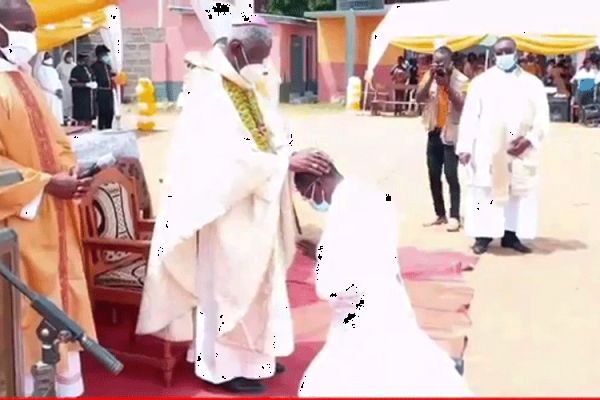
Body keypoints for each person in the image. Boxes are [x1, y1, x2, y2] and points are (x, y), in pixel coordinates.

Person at [135, 13, 334, 394]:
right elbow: (216, 159)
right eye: (259, 56)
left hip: (257, 200)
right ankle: (221, 366)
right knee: (227, 287)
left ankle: (257, 356)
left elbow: (267, 134)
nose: (263, 66)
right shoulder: (206, 87)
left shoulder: (244, 81)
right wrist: (283, 162)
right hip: (225, 209)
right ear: (238, 47)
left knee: (261, 283)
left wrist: (292, 153)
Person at [294, 169, 472, 397]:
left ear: (317, 184)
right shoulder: (370, 194)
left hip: (358, 316)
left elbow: (333, 286)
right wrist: (323, 252)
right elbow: (366, 250)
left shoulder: (341, 215)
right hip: (391, 299)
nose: (311, 201)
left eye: (306, 194)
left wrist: (324, 258)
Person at [0, 0, 96, 396]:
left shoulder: (25, 78)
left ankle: (60, 387)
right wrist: (42, 184)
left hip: (53, 219)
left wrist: (69, 172)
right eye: (23, 26)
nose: (31, 35)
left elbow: (58, 142)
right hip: (15, 225)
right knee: (22, 315)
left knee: (59, 304)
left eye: (32, 26)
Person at [456, 37, 550, 255]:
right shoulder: (481, 82)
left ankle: (511, 235)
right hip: (488, 149)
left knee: (517, 192)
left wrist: (529, 140)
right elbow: (470, 116)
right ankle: (483, 236)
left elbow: (542, 117)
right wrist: (465, 147)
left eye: (508, 51)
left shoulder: (531, 83)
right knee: (484, 191)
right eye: (499, 52)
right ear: (494, 54)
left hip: (518, 149)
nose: (503, 55)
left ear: (516, 53)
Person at [416, 46, 468, 232]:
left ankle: (454, 216)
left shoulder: (461, 80)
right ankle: (440, 214)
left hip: (451, 134)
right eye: (435, 62)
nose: (438, 66)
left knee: (451, 176)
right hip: (433, 131)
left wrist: (446, 85)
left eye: (442, 63)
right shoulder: (429, 77)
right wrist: (430, 78)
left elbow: (463, 106)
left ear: (450, 63)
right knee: (433, 175)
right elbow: (418, 98)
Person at [33, 51, 64, 124]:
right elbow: (44, 83)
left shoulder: (53, 70)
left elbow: (58, 81)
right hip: (47, 94)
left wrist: (60, 89)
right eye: (47, 57)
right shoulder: (40, 69)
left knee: (56, 114)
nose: (49, 58)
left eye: (50, 56)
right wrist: (55, 91)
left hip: (56, 95)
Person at [91, 45, 115, 130]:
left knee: (110, 112)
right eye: (105, 54)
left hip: (109, 91)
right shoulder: (94, 66)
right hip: (101, 91)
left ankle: (109, 128)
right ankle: (102, 129)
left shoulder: (108, 66)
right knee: (102, 112)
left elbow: (110, 76)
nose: (106, 56)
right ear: (100, 55)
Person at [69, 53, 97, 126]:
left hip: (90, 98)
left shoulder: (89, 69)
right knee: (82, 119)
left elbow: (93, 79)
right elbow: (73, 83)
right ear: (82, 60)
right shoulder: (76, 70)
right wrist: (86, 85)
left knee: (90, 118)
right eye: (87, 59)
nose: (89, 61)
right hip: (81, 98)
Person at [57, 50, 75, 123]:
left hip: (72, 87)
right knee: (64, 103)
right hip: (64, 86)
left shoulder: (74, 65)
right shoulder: (60, 66)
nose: (69, 58)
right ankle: (64, 118)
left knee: (72, 102)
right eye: (68, 57)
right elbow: (57, 77)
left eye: (70, 57)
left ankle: (72, 118)